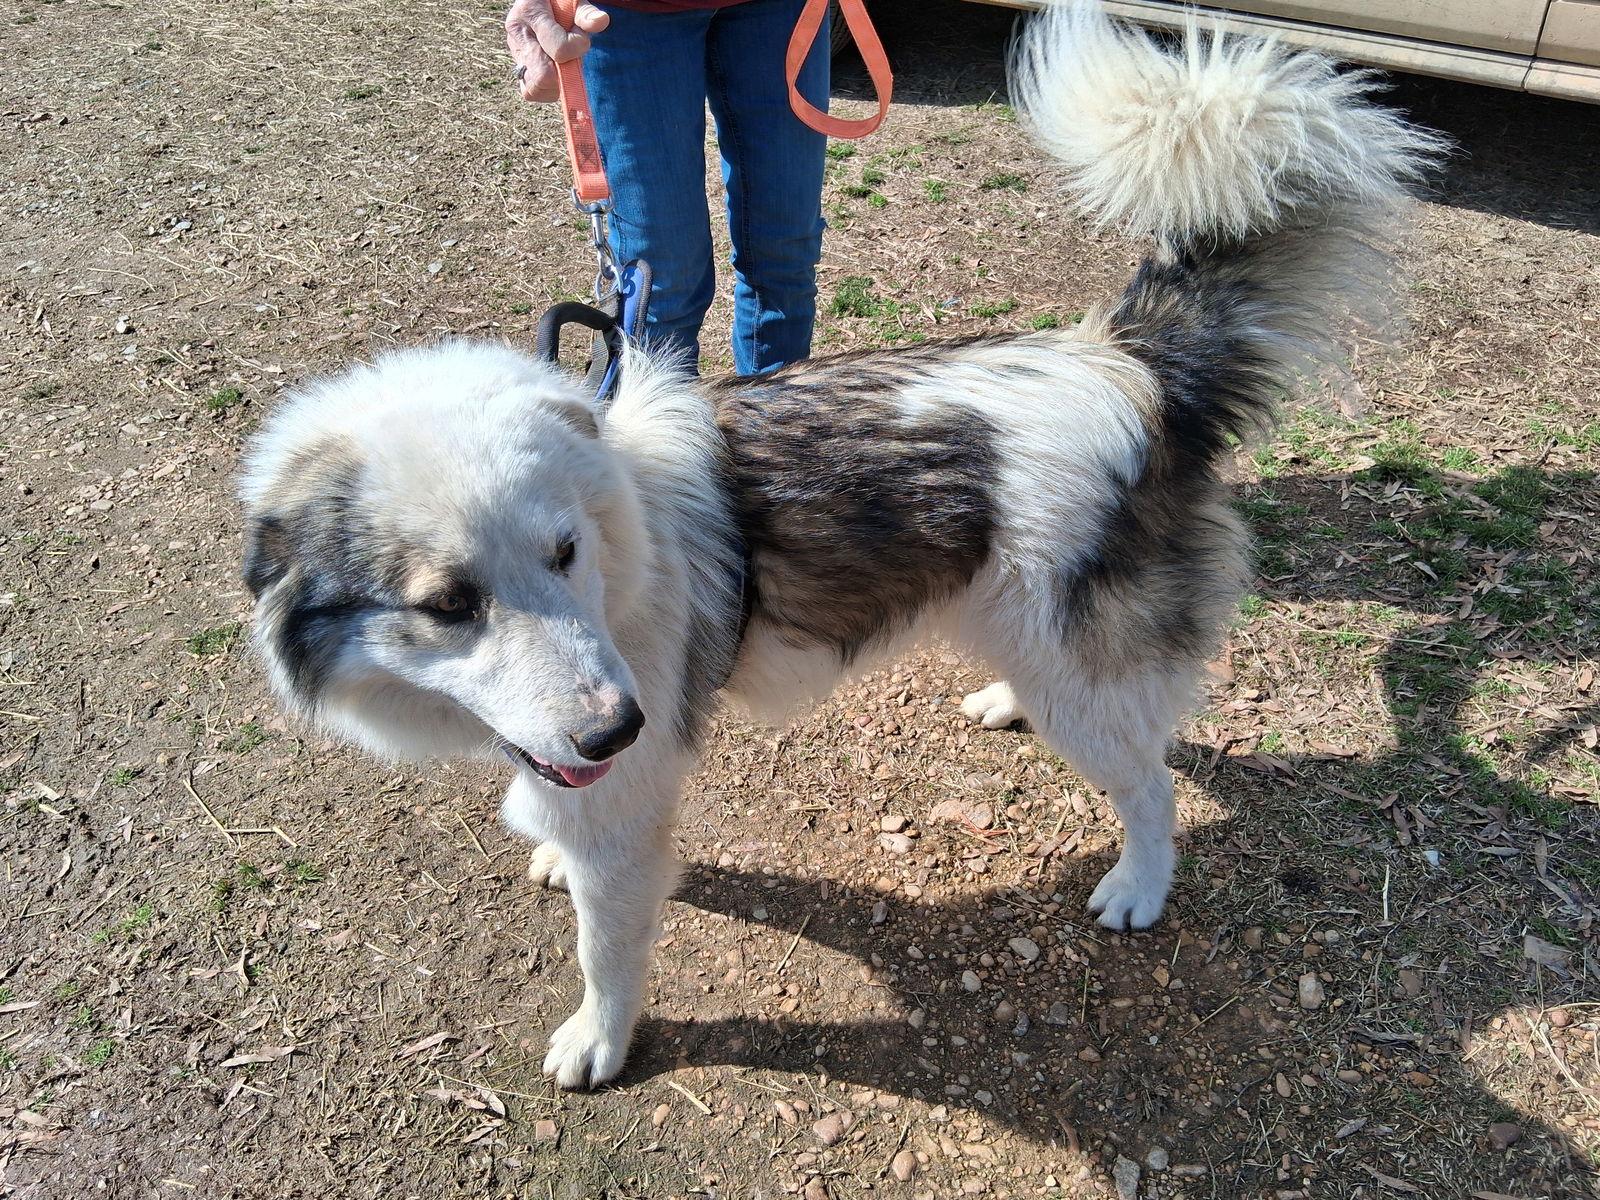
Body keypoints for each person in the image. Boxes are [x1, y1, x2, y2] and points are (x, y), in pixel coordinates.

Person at [506, 0, 831, 377]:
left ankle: (775, 425)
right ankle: (667, 434)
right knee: (661, 286)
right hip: (624, 13)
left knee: (785, 259)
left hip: (785, 10)